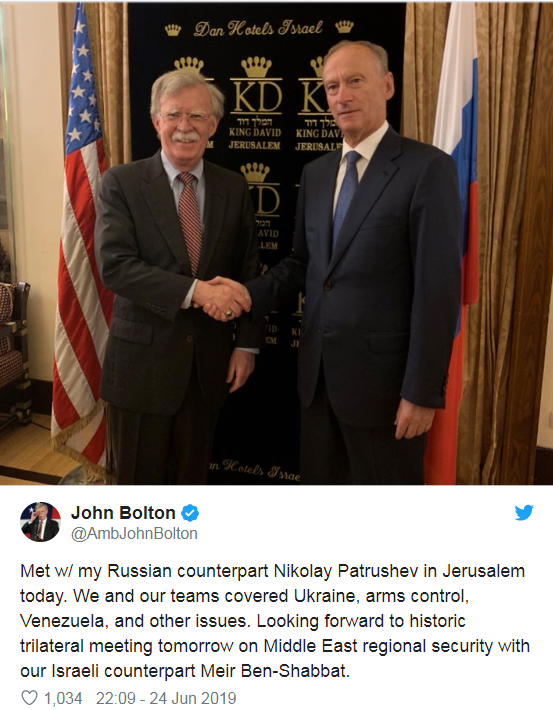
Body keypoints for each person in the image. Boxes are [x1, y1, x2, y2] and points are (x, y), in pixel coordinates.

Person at [204, 40, 462, 485]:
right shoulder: (317, 173)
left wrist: (421, 393)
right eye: (331, 86)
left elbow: (437, 291)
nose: (342, 96)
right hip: (317, 383)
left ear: (387, 85)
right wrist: (246, 294)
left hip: (387, 393)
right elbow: (302, 265)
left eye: (355, 81)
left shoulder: (427, 168)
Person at [95, 69, 264, 485]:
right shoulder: (122, 183)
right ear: (156, 121)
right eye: (173, 115)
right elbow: (115, 266)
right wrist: (197, 292)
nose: (184, 126)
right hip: (141, 371)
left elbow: (248, 270)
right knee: (137, 492)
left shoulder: (233, 187)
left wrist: (246, 345)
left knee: (190, 491)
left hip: (208, 369)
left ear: (213, 125)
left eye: (196, 116)